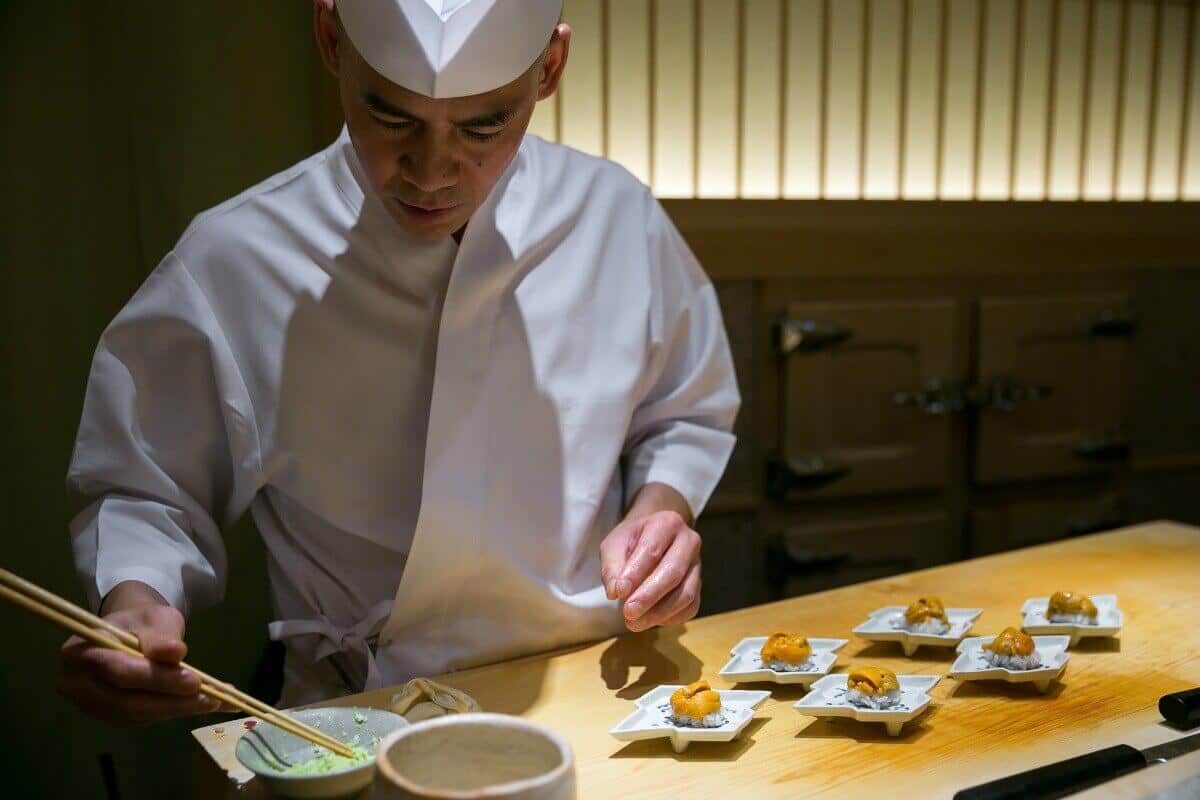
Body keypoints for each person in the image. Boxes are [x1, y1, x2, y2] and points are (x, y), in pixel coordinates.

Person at [58, 0, 739, 726]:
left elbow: (685, 408)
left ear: (549, 68)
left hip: (595, 686)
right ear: (331, 40)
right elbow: (144, 488)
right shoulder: (237, 257)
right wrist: (135, 604)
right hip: (363, 711)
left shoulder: (613, 216)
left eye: (485, 125)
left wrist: (661, 509)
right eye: (391, 118)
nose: (431, 171)